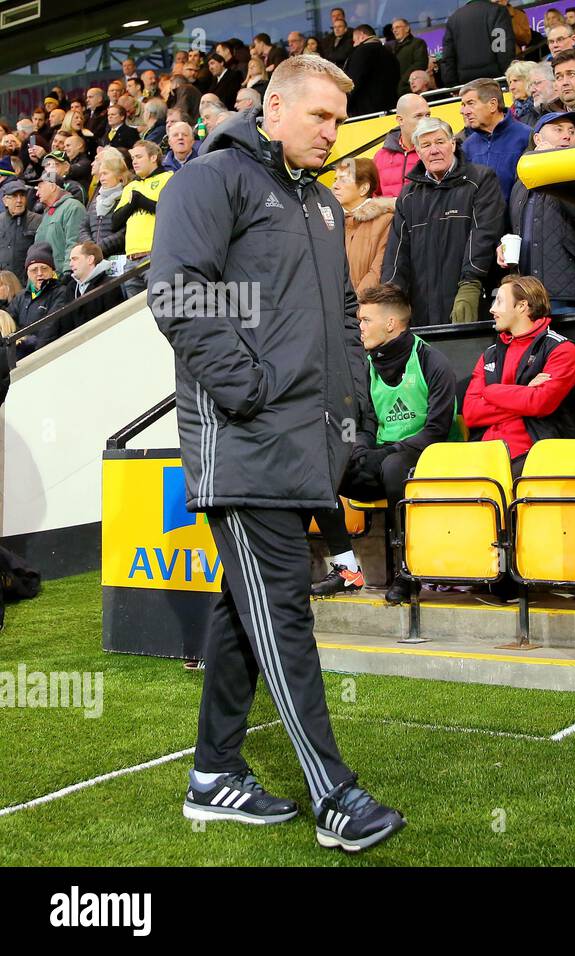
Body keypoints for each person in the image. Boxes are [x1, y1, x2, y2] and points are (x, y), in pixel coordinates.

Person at [148, 54, 406, 852]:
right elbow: (180, 296)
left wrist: (350, 414)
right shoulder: (212, 179)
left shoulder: (322, 205)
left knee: (245, 608)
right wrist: (249, 390)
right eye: (321, 117)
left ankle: (213, 774)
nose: (333, 133)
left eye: (340, 120)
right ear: (276, 108)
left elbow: (338, 319)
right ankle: (334, 794)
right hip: (246, 440)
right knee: (283, 610)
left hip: (304, 443)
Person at [310, 283, 457, 604]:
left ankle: (408, 571)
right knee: (323, 467)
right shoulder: (366, 366)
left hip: (429, 460)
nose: (359, 327)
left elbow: (437, 430)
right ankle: (346, 568)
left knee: (393, 468)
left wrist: (386, 453)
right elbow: (364, 423)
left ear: (391, 324)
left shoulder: (432, 362)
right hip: (384, 459)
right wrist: (358, 451)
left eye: (365, 320)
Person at [381, 117, 506, 326]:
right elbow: (396, 251)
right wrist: (390, 296)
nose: (434, 150)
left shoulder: (481, 180)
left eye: (440, 142)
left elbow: (483, 234)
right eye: (426, 145)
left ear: (453, 144)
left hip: (470, 299)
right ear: (418, 153)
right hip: (422, 308)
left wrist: (470, 283)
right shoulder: (408, 195)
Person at [463, 275, 575, 479]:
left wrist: (490, 392)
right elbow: (471, 412)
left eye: (499, 301)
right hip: (483, 455)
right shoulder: (490, 354)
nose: (492, 309)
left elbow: (539, 403)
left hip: (536, 455)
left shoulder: (562, 349)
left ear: (522, 306)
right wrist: (525, 392)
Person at [502, 111, 575, 315]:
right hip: (530, 296)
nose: (567, 135)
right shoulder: (521, 182)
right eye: (558, 130)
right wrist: (502, 248)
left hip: (571, 293)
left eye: (571, 131)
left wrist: (553, 167)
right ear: (538, 139)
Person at [113, 141, 172, 295]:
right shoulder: (131, 187)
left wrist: (141, 201)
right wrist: (133, 203)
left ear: (153, 158)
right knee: (135, 314)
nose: (134, 161)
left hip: (155, 255)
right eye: (133, 158)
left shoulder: (169, 177)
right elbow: (115, 222)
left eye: (139, 157)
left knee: (161, 306)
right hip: (130, 260)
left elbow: (169, 210)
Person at [460, 78, 532, 203]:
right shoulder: (467, 146)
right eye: (463, 105)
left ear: (492, 105)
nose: (464, 111)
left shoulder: (527, 135)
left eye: (470, 103)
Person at [333, 157, 394, 293]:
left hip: (365, 307)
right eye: (335, 179)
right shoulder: (329, 221)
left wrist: (356, 306)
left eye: (343, 180)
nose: (335, 185)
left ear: (363, 188)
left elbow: (378, 270)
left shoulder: (386, 221)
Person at [10, 243, 70, 358]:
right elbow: (9, 323)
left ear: (52, 270)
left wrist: (33, 356)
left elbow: (51, 327)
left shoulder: (61, 292)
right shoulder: (21, 297)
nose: (39, 273)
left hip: (45, 356)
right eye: (34, 270)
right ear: (27, 273)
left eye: (44, 268)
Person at [442, 0, 516, 86]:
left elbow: (448, 56)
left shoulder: (453, 19)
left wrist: (452, 84)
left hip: (467, 85)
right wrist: (509, 75)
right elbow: (503, 47)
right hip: (496, 81)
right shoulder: (498, 11)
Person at [375, 95, 431, 201]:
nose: (425, 121)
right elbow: (374, 195)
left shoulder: (435, 151)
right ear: (400, 120)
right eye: (418, 116)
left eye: (428, 115)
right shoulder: (380, 156)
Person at [78, 146, 131, 258]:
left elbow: (125, 230)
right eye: (101, 174)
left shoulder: (127, 196)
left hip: (117, 257)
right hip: (94, 257)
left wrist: (100, 248)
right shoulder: (96, 200)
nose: (102, 178)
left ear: (119, 176)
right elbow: (83, 227)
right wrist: (91, 247)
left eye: (106, 173)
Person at [33, 169, 86, 274]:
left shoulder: (73, 207)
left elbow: (74, 242)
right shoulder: (47, 213)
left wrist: (68, 271)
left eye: (40, 187)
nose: (37, 193)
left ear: (52, 187)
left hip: (64, 277)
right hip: (47, 278)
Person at [65, 241, 124, 328]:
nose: (70, 264)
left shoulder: (109, 285)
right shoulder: (71, 288)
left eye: (75, 259)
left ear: (90, 259)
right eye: (70, 260)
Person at [347, 24, 401, 116]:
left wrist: (347, 105)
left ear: (361, 35)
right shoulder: (389, 52)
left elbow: (353, 82)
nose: (354, 44)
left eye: (354, 41)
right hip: (391, 108)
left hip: (366, 113)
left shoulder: (361, 52)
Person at [0, 179, 39, 278]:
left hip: (27, 284)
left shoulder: (37, 220)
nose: (19, 200)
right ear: (5, 201)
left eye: (22, 195)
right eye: (14, 196)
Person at [390, 18, 431, 96]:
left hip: (411, 90)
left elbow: (420, 64)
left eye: (397, 27)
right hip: (396, 92)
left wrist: (403, 81)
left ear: (407, 28)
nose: (394, 30)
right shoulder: (392, 48)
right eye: (393, 29)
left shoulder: (417, 43)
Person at [506, 61, 542, 128]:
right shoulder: (510, 113)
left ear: (529, 80)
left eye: (515, 81)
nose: (511, 87)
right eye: (510, 82)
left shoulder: (544, 106)